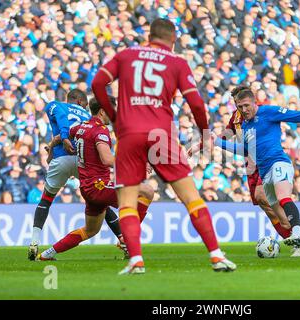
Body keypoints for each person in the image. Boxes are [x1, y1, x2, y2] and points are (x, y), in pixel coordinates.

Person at [92, 18, 236, 274]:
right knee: (191, 198)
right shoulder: (177, 62)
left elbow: (97, 83)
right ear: (173, 39)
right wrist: (203, 132)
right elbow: (195, 102)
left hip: (129, 135)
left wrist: (115, 118)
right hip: (161, 135)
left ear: (149, 36)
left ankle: (136, 260)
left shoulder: (126, 55)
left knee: (127, 202)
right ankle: (216, 255)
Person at [213, 85, 300, 256]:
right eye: (239, 107)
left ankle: (298, 238)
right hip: (263, 171)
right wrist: (216, 143)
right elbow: (245, 150)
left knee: (283, 197)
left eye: (246, 105)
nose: (243, 109)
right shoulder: (245, 125)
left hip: (279, 162)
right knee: (284, 221)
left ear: (254, 102)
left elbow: (299, 115)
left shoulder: (269, 111)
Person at [37, 98, 154, 261]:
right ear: (102, 111)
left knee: (90, 230)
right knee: (147, 191)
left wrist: (52, 146)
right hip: (100, 186)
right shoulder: (100, 131)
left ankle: (46, 254)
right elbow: (106, 159)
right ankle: (128, 239)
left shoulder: (81, 127)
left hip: (88, 189)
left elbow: (59, 136)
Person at [28, 90, 127, 260]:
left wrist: (53, 146)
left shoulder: (56, 105)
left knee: (46, 199)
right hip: (82, 159)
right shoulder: (87, 116)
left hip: (62, 158)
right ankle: (123, 239)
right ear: (81, 102)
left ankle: (34, 242)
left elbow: (61, 122)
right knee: (101, 197)